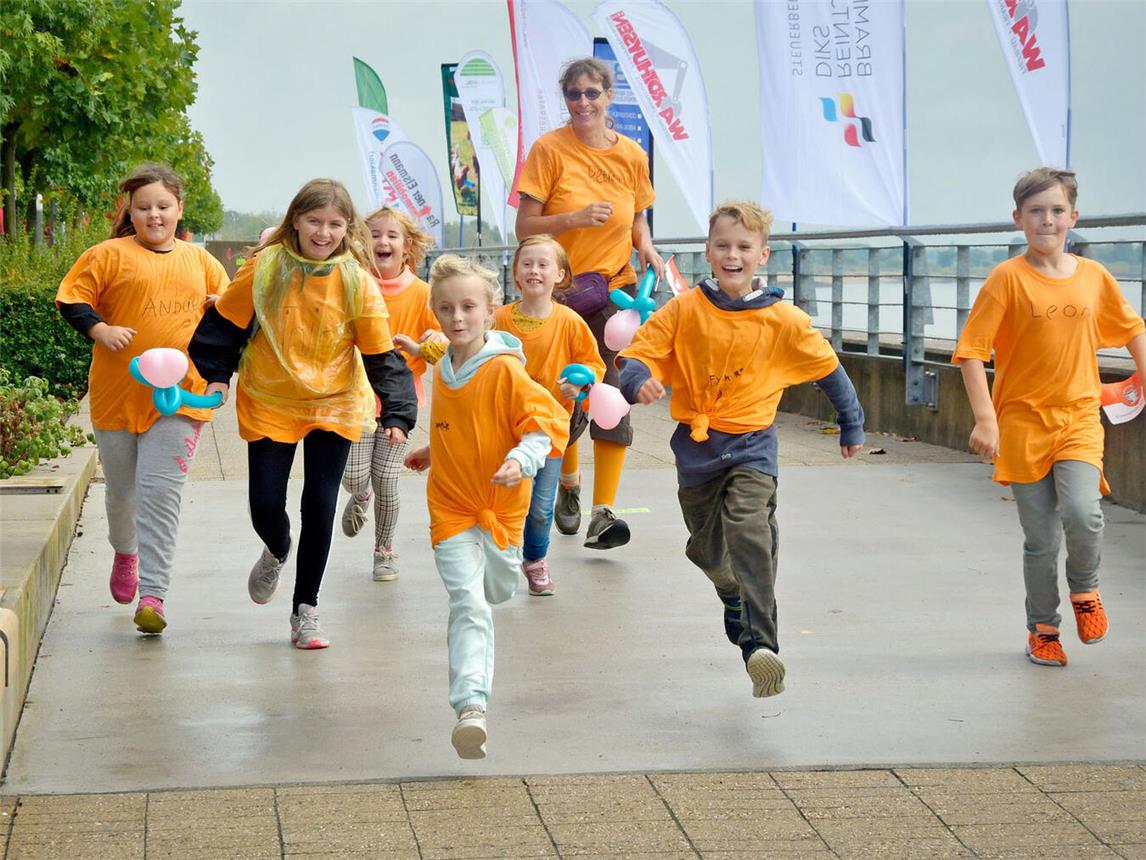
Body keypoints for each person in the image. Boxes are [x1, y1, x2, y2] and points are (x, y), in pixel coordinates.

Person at [618, 201, 865, 697]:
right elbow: (636, 355)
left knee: (750, 530)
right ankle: (731, 594)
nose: (733, 255)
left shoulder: (782, 318)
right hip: (697, 447)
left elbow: (827, 370)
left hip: (753, 444)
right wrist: (637, 382)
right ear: (708, 252)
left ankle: (760, 646)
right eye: (723, 246)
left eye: (744, 247)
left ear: (762, 255)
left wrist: (851, 423)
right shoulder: (684, 309)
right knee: (707, 551)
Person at [189, 179, 416, 649]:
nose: (324, 232)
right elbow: (224, 324)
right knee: (266, 504)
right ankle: (276, 548)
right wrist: (217, 375)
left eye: (335, 224)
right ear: (295, 219)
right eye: (314, 221)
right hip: (272, 399)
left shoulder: (356, 280)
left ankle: (305, 610)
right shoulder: (265, 267)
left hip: (334, 400)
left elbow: (381, 355)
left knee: (320, 503)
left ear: (347, 228)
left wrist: (396, 412)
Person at [953, 167, 1146, 668]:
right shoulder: (1006, 279)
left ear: (1073, 218)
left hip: (1080, 416)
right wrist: (985, 419)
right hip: (1019, 422)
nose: (1047, 220)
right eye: (1036, 211)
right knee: (1041, 539)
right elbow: (971, 352)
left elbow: (1132, 328)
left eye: (1057, 211)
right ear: (1018, 219)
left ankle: (1085, 590)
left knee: (1085, 514)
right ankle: (1042, 629)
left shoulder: (1093, 276)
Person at [404, 255, 568, 759]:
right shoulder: (445, 359)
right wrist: (436, 449)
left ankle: (509, 570)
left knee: (496, 587)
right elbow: (450, 379)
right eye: (446, 308)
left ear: (491, 311)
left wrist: (522, 460)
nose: (457, 318)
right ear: (434, 311)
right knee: (468, 603)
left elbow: (543, 424)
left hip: (502, 507)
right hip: (451, 506)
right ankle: (470, 707)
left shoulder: (506, 372)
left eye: (469, 307)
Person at [56, 164, 228, 635]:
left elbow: (229, 324)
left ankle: (154, 596)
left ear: (179, 210)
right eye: (144, 207)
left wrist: (219, 370)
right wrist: (101, 328)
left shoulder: (201, 261)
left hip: (180, 400)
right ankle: (125, 552)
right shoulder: (107, 255)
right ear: (129, 211)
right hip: (116, 396)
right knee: (122, 494)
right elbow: (72, 299)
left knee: (160, 495)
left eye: (163, 207)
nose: (154, 215)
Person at [516, 56, 664, 551]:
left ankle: (604, 511)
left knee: (613, 393)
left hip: (614, 291)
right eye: (574, 95)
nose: (582, 103)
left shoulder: (631, 156)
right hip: (558, 292)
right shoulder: (548, 150)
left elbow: (637, 217)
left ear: (608, 97)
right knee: (563, 393)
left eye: (591, 94)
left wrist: (645, 245)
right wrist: (574, 218)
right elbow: (524, 229)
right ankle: (569, 481)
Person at [493, 235, 606, 596]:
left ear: (560, 275)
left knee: (540, 507)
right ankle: (502, 557)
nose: (534, 270)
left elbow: (593, 366)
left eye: (543, 264)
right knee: (508, 499)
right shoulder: (498, 319)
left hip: (551, 428)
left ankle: (536, 561)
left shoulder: (570, 322)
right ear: (515, 273)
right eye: (526, 263)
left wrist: (581, 387)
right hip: (505, 425)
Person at [338, 206, 441, 583]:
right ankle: (359, 496)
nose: (383, 242)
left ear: (407, 246)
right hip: (356, 396)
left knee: (386, 479)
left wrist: (430, 341)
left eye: (392, 235)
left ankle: (384, 550)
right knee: (353, 475)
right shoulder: (352, 282)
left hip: (402, 399)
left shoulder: (422, 293)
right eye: (374, 235)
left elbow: (441, 340)